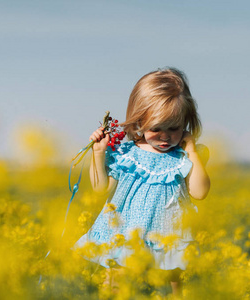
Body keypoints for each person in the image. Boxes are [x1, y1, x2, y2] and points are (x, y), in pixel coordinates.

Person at [74, 67, 210, 296]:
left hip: (167, 232)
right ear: (139, 122)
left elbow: (199, 192)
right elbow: (101, 188)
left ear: (186, 123)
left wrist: (192, 150)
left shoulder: (185, 156)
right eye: (156, 128)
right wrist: (98, 153)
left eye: (174, 128)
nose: (165, 136)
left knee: (172, 284)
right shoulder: (127, 153)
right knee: (116, 282)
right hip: (125, 230)